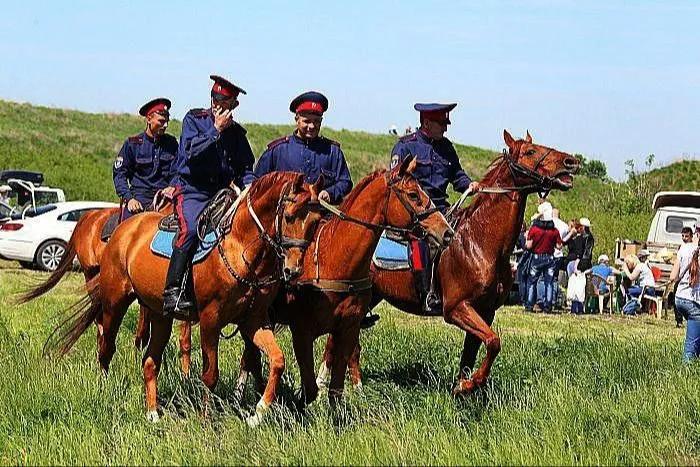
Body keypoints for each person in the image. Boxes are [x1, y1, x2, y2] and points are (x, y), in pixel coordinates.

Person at [163, 75, 255, 318]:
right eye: (217, 101)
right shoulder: (194, 120)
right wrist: (215, 130)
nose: (220, 107)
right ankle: (173, 292)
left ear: (234, 105)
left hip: (222, 193)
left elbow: (246, 168)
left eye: (227, 103)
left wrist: (249, 187)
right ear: (212, 100)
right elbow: (191, 154)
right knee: (191, 229)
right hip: (192, 190)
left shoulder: (236, 133)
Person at [388, 102, 481, 314]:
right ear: (426, 123)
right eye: (441, 123)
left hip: (442, 209)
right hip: (415, 213)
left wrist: (469, 184)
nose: (445, 128)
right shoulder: (406, 146)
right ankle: (428, 293)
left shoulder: (446, 148)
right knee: (431, 243)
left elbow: (457, 175)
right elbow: (395, 181)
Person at [255, 91, 352, 204]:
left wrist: (330, 193)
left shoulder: (333, 152)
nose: (311, 126)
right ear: (297, 119)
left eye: (316, 121)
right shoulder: (277, 151)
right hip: (284, 218)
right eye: (306, 121)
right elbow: (257, 184)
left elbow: (345, 182)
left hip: (322, 217)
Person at [113, 98, 178, 221]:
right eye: (161, 121)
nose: (166, 125)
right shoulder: (132, 144)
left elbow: (178, 171)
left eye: (167, 122)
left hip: (165, 198)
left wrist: (172, 186)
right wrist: (129, 199)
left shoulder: (172, 144)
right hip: (139, 198)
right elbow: (119, 175)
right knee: (126, 233)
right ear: (149, 119)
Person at [524, 203, 562, 313]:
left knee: (532, 282)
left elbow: (529, 246)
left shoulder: (534, 229)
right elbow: (559, 246)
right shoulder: (555, 231)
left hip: (536, 257)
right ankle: (548, 307)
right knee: (549, 283)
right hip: (550, 258)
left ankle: (529, 306)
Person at [671, 226, 700, 362]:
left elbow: (673, 277)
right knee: (691, 348)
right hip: (694, 302)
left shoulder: (684, 248)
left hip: (680, 298)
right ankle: (686, 373)